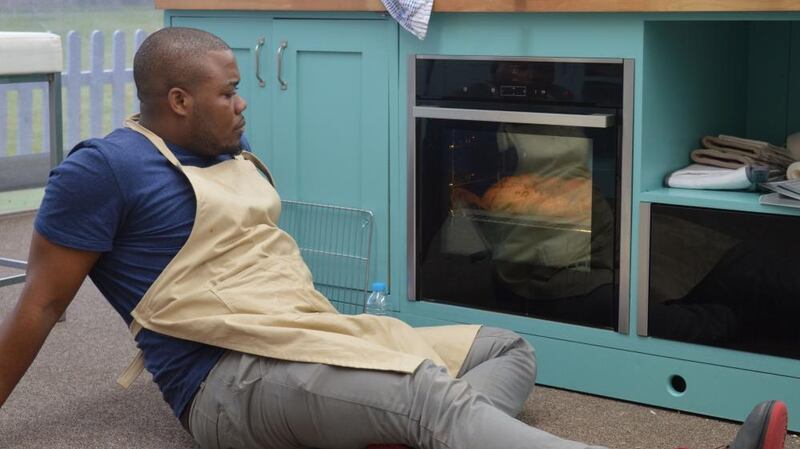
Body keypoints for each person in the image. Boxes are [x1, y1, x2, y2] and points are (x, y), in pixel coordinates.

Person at [0, 27, 789, 449]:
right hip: (225, 381)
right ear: (176, 99)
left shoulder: (229, 152)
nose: (243, 104)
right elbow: (39, 305)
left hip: (310, 334)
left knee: (505, 349)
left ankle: (422, 434)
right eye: (228, 92)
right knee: (423, 393)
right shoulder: (101, 169)